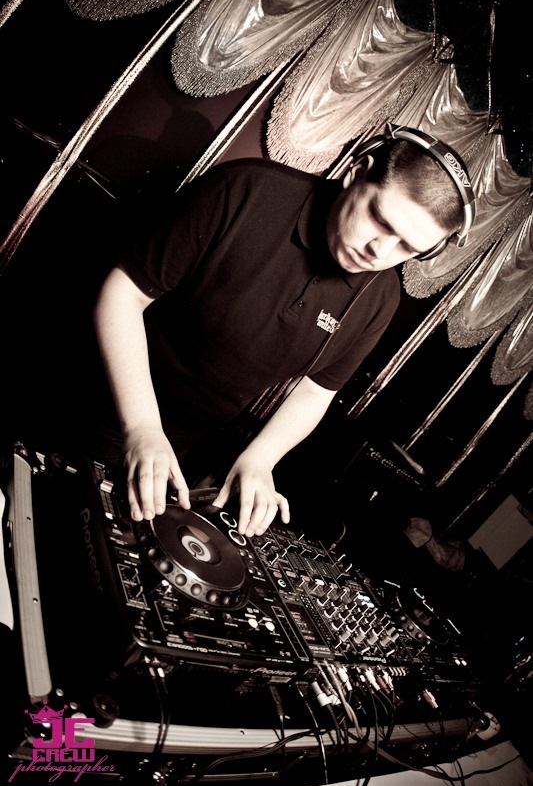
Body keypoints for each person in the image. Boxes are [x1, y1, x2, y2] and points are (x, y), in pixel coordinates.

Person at [93, 124, 473, 538]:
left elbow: (316, 391)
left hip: (183, 439)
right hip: (97, 390)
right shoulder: (244, 189)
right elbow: (125, 293)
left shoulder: (381, 298)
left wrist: (261, 458)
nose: (379, 252)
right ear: (357, 173)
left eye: (407, 248)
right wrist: (142, 426)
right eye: (379, 220)